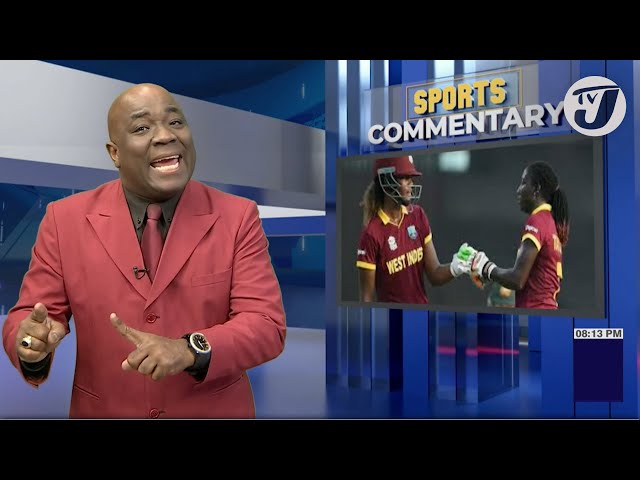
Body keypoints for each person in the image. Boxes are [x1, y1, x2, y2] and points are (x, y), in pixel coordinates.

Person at [1, 83, 286, 418]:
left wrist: (188, 349)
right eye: (142, 127)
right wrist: (30, 345)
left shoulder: (237, 216)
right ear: (114, 153)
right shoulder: (64, 220)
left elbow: (265, 324)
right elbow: (29, 318)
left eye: (176, 122)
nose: (166, 136)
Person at [356, 155, 471, 303]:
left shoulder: (418, 215)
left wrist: (455, 267)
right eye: (404, 177)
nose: (411, 183)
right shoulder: (372, 233)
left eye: (411, 177)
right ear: (385, 181)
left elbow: (434, 274)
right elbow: (366, 298)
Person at [471, 161, 569, 309]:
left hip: (534, 313)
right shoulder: (550, 222)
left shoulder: (537, 220)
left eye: (523, 183)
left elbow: (517, 279)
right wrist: (489, 273)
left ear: (536, 188)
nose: (518, 190)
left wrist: (486, 267)